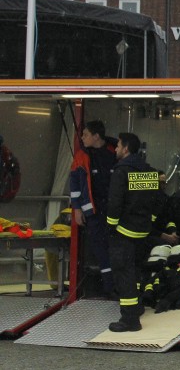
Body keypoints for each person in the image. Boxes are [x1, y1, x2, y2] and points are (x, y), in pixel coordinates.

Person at [105, 132, 161, 333]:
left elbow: (115, 202)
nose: (116, 149)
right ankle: (136, 307)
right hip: (142, 232)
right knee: (135, 272)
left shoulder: (121, 171)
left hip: (124, 232)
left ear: (126, 148)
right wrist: (149, 222)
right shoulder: (148, 171)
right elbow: (156, 201)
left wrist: (111, 227)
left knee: (124, 274)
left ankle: (130, 320)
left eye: (118, 146)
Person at [68, 120, 118, 297]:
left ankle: (117, 285)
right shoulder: (82, 155)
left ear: (97, 136)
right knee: (100, 249)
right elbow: (74, 184)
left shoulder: (115, 152)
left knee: (115, 248)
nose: (82, 138)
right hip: (94, 213)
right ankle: (108, 288)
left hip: (114, 211)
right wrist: (77, 209)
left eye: (86, 134)